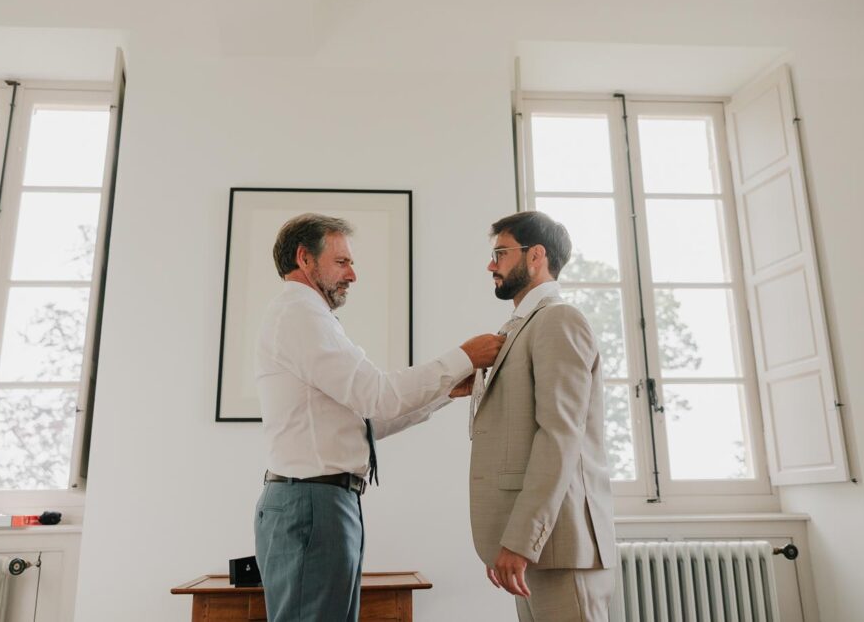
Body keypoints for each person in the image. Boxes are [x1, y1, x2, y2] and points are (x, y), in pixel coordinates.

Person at [254, 213, 503, 622]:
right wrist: (463, 357)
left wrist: (445, 392)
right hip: (313, 505)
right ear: (304, 258)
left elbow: (364, 421)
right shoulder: (299, 316)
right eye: (342, 262)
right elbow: (379, 396)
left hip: (325, 503)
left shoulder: (310, 318)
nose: (353, 274)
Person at [468, 211, 616, 622]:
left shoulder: (558, 319)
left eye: (500, 252)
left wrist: (520, 540)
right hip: (537, 551)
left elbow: (559, 438)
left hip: (559, 546)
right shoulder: (522, 326)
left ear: (536, 256)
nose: (491, 265)